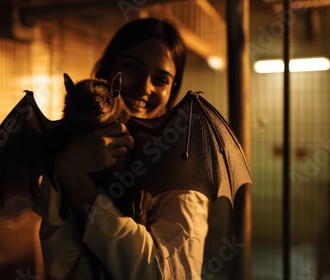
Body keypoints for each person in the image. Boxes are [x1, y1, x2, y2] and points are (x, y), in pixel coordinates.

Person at [37, 17, 210, 279]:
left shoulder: (182, 161)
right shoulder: (65, 145)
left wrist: (75, 177)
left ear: (172, 89)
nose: (144, 87)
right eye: (131, 67)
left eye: (161, 79)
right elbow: (59, 264)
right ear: (109, 74)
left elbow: (167, 275)